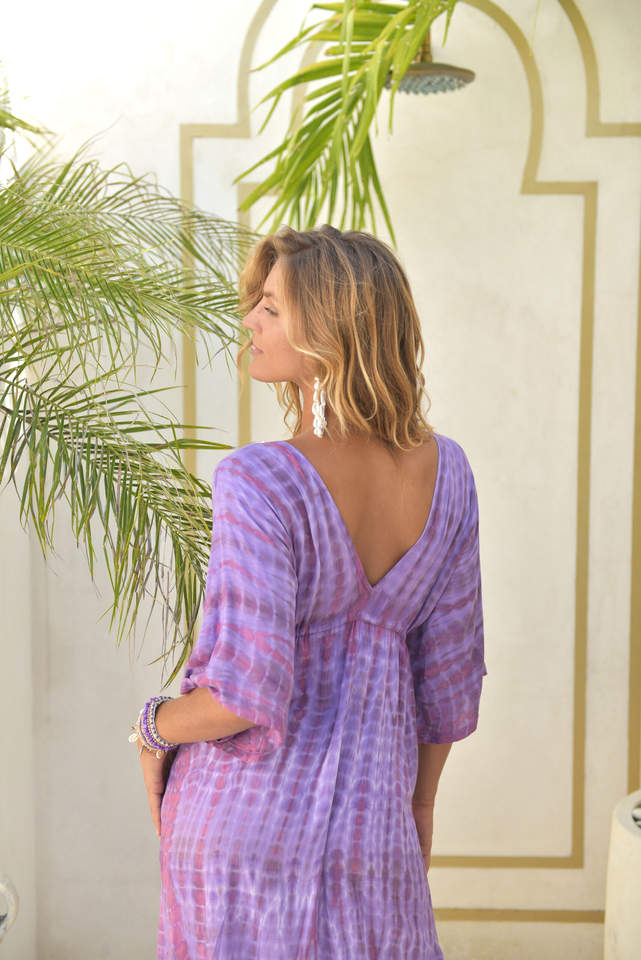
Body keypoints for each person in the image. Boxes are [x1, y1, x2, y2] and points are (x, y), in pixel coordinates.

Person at [130, 224, 488, 959]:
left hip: (241, 831)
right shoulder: (448, 475)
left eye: (269, 307)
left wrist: (152, 727)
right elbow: (448, 682)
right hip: (375, 833)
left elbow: (242, 694)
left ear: (329, 330)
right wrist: (418, 806)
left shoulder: (258, 479)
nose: (249, 322)